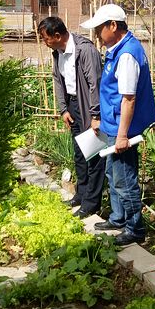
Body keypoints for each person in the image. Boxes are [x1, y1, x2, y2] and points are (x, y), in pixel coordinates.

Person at [79, 4, 155, 247]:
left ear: (113, 26)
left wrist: (123, 135)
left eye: (99, 29)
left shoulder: (127, 55)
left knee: (124, 179)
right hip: (113, 125)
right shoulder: (117, 50)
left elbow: (128, 99)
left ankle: (135, 228)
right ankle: (118, 217)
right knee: (113, 175)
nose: (96, 35)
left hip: (123, 129)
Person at [38, 16, 105, 218]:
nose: (44, 42)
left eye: (45, 38)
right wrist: (63, 109)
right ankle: (81, 195)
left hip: (88, 107)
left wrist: (96, 114)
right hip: (73, 107)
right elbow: (58, 81)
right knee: (79, 154)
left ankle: (91, 203)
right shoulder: (57, 53)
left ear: (57, 35)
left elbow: (95, 83)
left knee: (93, 155)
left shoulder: (85, 50)